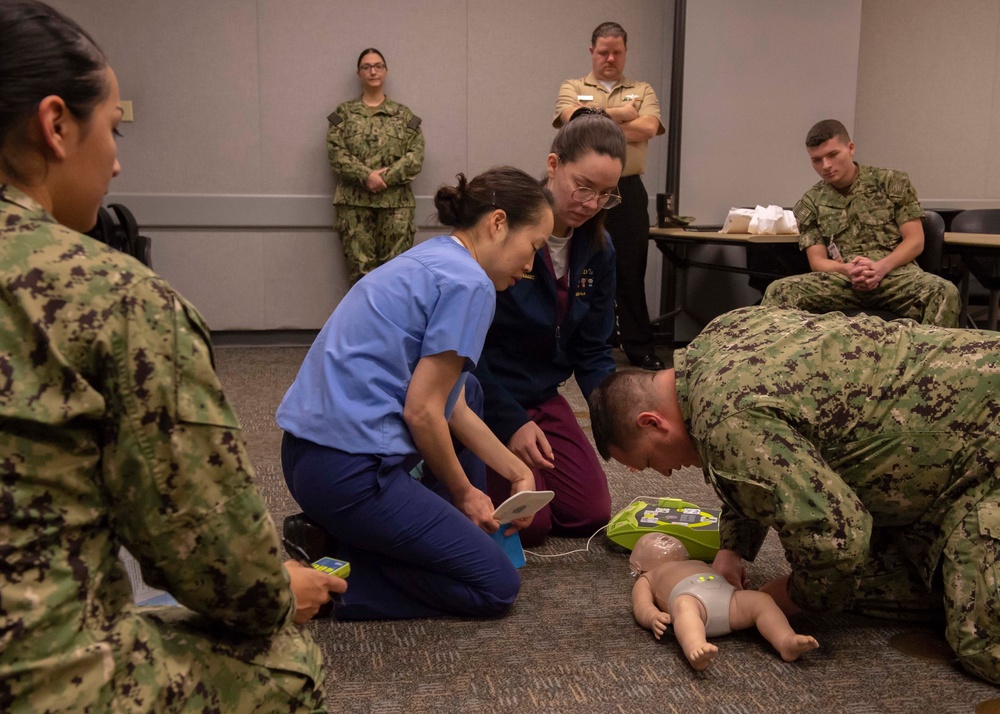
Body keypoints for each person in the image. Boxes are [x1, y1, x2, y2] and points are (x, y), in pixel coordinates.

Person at [0, 2, 344, 711]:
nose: (119, 159)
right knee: (285, 663)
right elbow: (226, 570)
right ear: (56, 124)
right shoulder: (115, 295)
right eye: (113, 130)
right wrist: (281, 586)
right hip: (38, 676)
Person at [589, 305, 1000, 685]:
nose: (662, 472)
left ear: (652, 422)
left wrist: (784, 599)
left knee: (981, 644)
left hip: (983, 450)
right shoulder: (712, 344)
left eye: (647, 462)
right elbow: (757, 460)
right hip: (953, 425)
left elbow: (840, 541)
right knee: (875, 581)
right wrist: (733, 550)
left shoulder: (727, 422)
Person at [276, 167, 555, 620]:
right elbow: (424, 413)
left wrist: (515, 468)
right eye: (534, 247)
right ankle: (327, 585)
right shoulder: (471, 285)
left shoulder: (435, 256)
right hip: (350, 474)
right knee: (496, 586)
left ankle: (386, 538)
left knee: (472, 388)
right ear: (498, 223)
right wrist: (466, 493)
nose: (530, 266)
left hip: (306, 460)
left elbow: (454, 405)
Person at [474, 111, 624, 546]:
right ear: (553, 165)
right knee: (530, 526)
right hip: (485, 396)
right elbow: (465, 354)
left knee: (589, 514)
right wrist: (510, 421)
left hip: (542, 394)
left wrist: (613, 416)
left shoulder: (599, 247)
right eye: (583, 186)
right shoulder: (506, 233)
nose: (591, 203)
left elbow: (594, 349)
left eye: (606, 194)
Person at [761, 119, 960, 326]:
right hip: (845, 280)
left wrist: (880, 268)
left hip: (894, 276)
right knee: (778, 291)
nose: (826, 166)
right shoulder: (810, 202)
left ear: (851, 148)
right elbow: (817, 261)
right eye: (816, 160)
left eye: (832, 155)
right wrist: (847, 270)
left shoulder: (891, 183)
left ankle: (925, 356)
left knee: (944, 292)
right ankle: (788, 358)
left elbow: (915, 241)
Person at [554, 21, 666, 370]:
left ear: (625, 52)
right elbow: (571, 119)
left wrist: (595, 118)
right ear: (592, 51)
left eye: (617, 52)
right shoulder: (573, 86)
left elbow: (649, 127)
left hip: (628, 190)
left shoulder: (642, 88)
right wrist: (622, 115)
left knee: (631, 269)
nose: (610, 58)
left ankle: (638, 346)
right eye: (603, 52)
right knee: (581, 262)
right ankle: (581, 344)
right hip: (583, 189)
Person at [629, 533, 819, 670]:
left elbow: (723, 575)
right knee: (683, 607)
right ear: (639, 566)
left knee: (761, 600)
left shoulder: (697, 562)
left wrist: (736, 584)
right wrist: (652, 616)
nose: (663, 542)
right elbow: (640, 605)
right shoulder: (647, 577)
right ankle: (695, 646)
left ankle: (785, 640)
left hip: (727, 598)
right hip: (693, 601)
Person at [327, 48, 425, 284]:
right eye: (366, 67)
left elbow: (416, 155)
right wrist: (365, 176)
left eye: (378, 66)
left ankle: (395, 322)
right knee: (362, 276)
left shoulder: (402, 115)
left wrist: (385, 178)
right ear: (359, 73)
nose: (373, 71)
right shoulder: (344, 113)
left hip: (396, 206)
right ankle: (364, 322)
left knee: (396, 274)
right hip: (354, 206)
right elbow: (335, 151)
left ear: (385, 71)